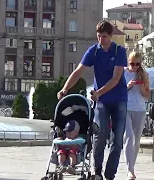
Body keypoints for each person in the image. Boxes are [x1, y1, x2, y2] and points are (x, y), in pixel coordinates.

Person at [57, 20, 128, 180]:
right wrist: (65, 89)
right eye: (98, 36)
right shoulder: (93, 51)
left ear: (111, 36)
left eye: (104, 36)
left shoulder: (119, 51)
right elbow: (78, 71)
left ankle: (110, 174)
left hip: (119, 100)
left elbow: (116, 78)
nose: (101, 40)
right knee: (99, 135)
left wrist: (98, 92)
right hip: (101, 101)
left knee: (117, 139)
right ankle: (97, 172)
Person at [123, 51, 150, 180]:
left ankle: (132, 167)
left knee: (137, 139)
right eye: (132, 63)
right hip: (126, 108)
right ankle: (130, 170)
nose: (134, 67)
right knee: (128, 136)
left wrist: (141, 88)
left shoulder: (144, 74)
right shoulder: (123, 72)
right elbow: (118, 90)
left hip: (140, 109)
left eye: (137, 64)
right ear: (128, 62)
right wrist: (128, 86)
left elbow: (147, 95)